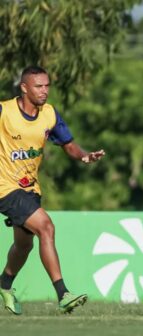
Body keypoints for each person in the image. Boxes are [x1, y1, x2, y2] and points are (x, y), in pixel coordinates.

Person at [0, 66, 105, 315]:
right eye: (39, 86)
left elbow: (67, 144)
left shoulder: (49, 114)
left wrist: (84, 156)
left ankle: (4, 285)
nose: (44, 91)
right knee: (46, 226)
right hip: (5, 187)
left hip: (30, 188)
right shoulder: (4, 111)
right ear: (24, 88)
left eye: (47, 86)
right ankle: (63, 294)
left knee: (24, 245)